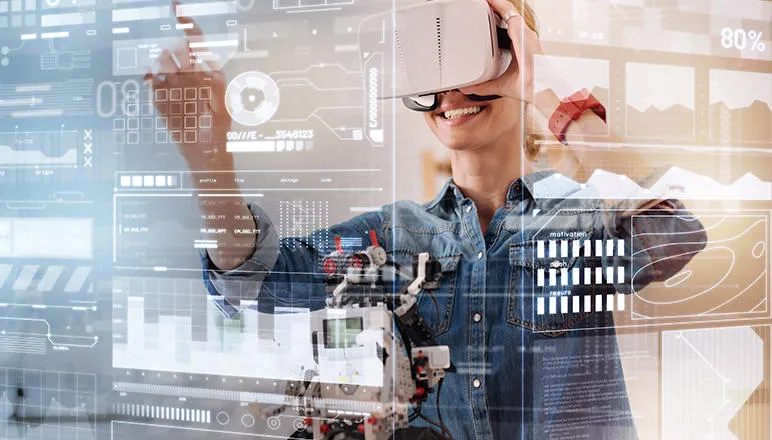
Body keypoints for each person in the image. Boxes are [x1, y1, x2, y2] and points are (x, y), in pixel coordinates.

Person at [146, 0, 706, 438]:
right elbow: (254, 280)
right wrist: (210, 158)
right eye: (433, 68)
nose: (451, 93)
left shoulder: (581, 219)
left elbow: (679, 226)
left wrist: (546, 84)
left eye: (474, 55)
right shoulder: (396, 236)